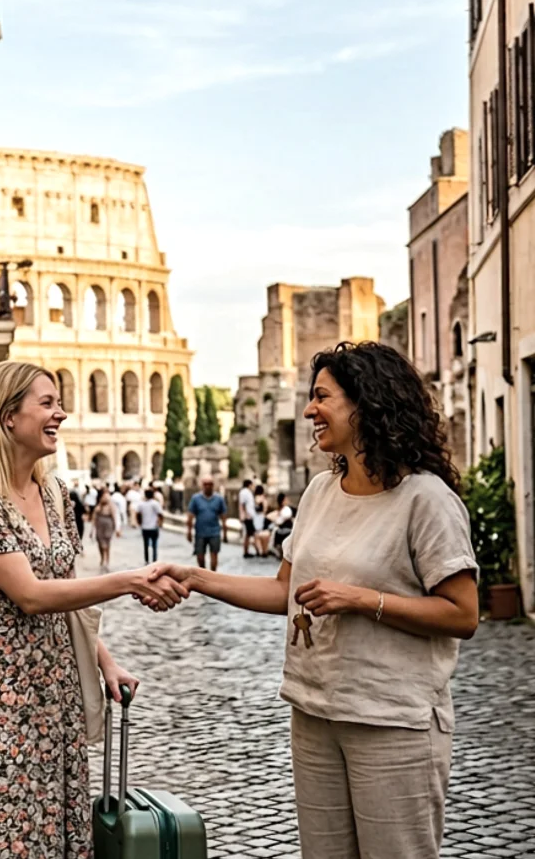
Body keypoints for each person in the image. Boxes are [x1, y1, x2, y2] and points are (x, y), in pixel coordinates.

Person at [151, 342, 478, 859]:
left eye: (322, 397)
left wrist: (361, 599)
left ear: (366, 403)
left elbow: (463, 613)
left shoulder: (426, 499)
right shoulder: (321, 492)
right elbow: (284, 591)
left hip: (393, 719)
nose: (309, 410)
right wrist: (195, 577)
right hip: (313, 712)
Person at [0, 361, 188, 859]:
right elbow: (32, 595)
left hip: (60, 692)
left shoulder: (54, 493)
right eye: (48, 404)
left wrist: (105, 662)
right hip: (1, 693)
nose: (62, 413)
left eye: (60, 403)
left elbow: (67, 595)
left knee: (58, 828)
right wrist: (129, 580)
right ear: (8, 416)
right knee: (8, 833)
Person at [187, 476, 227, 571]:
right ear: (202, 485)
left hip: (214, 532)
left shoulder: (219, 499)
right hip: (200, 532)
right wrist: (189, 531)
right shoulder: (196, 498)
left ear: (213, 485)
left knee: (214, 554)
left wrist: (225, 532)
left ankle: (212, 574)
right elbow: (190, 515)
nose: (208, 486)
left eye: (210, 484)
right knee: (200, 556)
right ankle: (203, 573)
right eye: (205, 484)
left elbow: (223, 516)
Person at [137, 487, 164, 564]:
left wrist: (140, 523)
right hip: (153, 527)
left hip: (145, 527)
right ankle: (154, 560)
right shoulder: (155, 503)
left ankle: (146, 560)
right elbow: (160, 514)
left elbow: (138, 514)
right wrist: (160, 523)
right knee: (154, 545)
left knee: (145, 544)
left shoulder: (141, 504)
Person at [93, 486, 117, 568]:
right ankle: (102, 558)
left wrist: (115, 527)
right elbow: (94, 516)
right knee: (100, 542)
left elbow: (114, 515)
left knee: (107, 542)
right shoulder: (98, 504)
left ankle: (107, 559)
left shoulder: (110, 504)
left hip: (108, 524)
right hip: (100, 524)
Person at [239, 477, 257, 556]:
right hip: (247, 516)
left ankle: (247, 551)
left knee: (248, 534)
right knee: (248, 534)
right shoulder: (244, 492)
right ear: (249, 485)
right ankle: (247, 551)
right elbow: (243, 504)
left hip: (249, 515)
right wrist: (246, 515)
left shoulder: (247, 492)